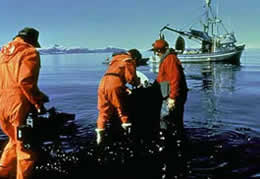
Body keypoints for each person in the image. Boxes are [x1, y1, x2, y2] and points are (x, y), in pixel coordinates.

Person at [0, 27, 49, 179]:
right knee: (26, 149)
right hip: (18, 104)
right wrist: (38, 102)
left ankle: (3, 173)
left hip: (2, 103)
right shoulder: (29, 52)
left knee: (14, 140)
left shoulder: (2, 54)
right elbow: (25, 81)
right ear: (32, 41)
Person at [96, 49, 142, 145]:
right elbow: (130, 79)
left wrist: (124, 88)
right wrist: (137, 83)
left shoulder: (115, 60)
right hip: (114, 84)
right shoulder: (129, 60)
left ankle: (100, 137)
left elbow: (114, 76)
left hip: (102, 83)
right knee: (122, 108)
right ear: (135, 58)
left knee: (103, 111)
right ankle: (127, 135)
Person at [150, 39, 188, 137]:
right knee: (171, 119)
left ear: (159, 51)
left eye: (156, 51)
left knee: (167, 118)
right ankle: (174, 138)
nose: (156, 54)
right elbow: (161, 77)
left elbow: (175, 78)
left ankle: (168, 140)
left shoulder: (170, 59)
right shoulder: (166, 58)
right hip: (169, 94)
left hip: (173, 96)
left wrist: (172, 98)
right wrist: (152, 86)